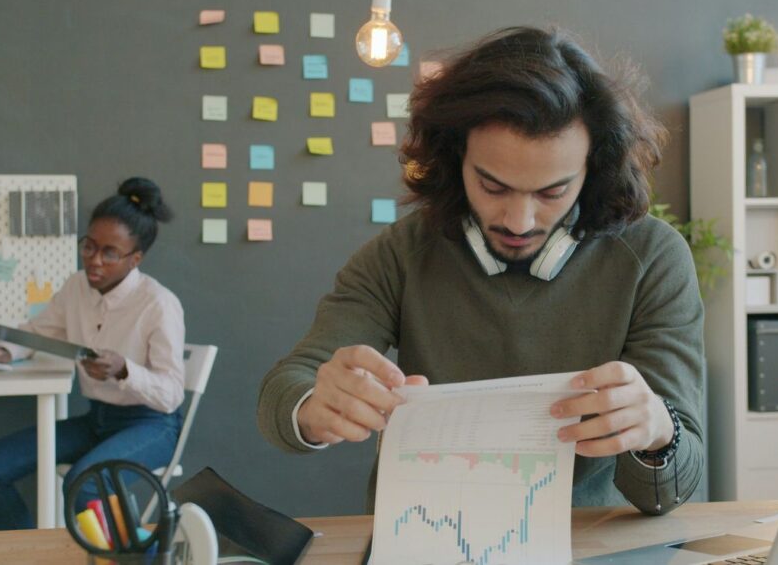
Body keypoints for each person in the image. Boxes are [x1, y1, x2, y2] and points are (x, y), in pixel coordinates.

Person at [258, 26, 705, 514]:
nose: (519, 221)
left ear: (592, 170)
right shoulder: (401, 253)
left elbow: (675, 488)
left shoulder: (653, 258)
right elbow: (286, 388)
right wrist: (314, 406)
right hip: (424, 537)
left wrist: (659, 433)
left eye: (551, 192)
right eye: (493, 187)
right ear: (455, 159)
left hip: (588, 543)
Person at [0, 177, 185, 530]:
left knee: (83, 485)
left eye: (110, 253)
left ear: (135, 258)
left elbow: (172, 394)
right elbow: (40, 330)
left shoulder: (159, 304)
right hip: (97, 419)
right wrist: (4, 350)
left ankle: (131, 557)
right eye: (89, 246)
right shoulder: (76, 287)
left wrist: (124, 369)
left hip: (152, 425)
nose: (94, 261)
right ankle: (30, 555)